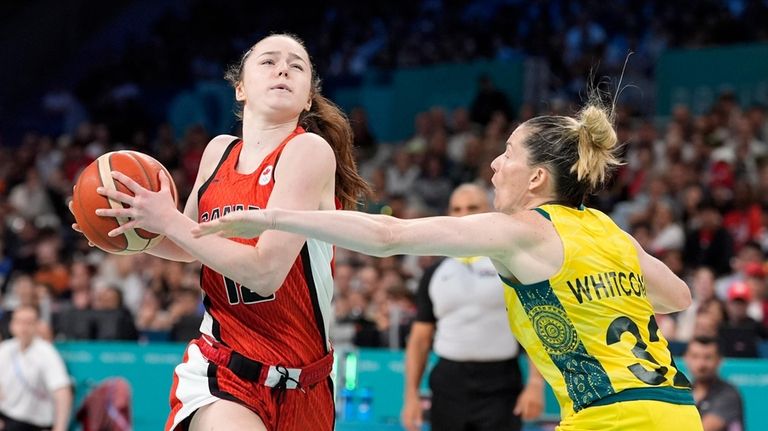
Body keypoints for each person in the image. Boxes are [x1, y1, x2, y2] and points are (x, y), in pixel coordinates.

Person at [193, 94, 703, 430]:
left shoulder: (521, 230)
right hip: (679, 413)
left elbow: (388, 235)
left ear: (536, 180)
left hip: (611, 419)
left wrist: (274, 217)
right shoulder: (611, 233)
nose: (495, 164)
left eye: (508, 153)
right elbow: (677, 296)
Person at [79, 33, 370, 431]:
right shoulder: (218, 152)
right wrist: (127, 230)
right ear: (240, 89)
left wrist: (168, 220)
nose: (283, 67)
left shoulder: (309, 151)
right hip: (223, 370)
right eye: (268, 61)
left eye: (296, 65)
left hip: (306, 385)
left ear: (307, 100)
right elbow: (191, 243)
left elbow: (266, 270)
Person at [402, 184, 544, 431]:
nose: (464, 214)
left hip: (501, 382)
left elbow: (535, 326)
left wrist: (535, 383)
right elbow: (419, 340)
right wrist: (411, 395)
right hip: (449, 382)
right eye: (457, 209)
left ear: (488, 210)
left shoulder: (511, 266)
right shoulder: (434, 274)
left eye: (472, 207)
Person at [0, 305, 72, 431]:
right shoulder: (5, 349)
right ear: (11, 324)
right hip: (7, 416)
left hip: (34, 423)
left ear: (37, 325)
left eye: (29, 322)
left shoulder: (46, 352)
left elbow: (62, 392)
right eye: (19, 321)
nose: (23, 327)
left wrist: (60, 428)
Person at [683, 336, 745, 431]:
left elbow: (703, 429)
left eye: (708, 357)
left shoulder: (729, 394)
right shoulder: (682, 392)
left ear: (719, 360)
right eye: (695, 356)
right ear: (686, 358)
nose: (701, 364)